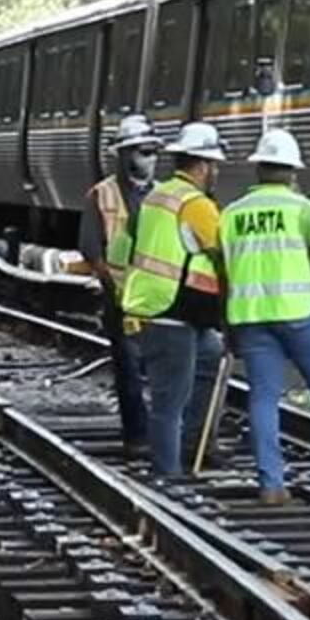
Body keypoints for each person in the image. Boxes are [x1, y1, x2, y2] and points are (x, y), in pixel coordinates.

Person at [221, 128, 310, 499]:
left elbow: (224, 273)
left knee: (263, 398)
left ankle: (271, 485)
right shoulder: (304, 210)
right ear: (292, 171)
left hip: (251, 317)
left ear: (258, 169)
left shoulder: (231, 214)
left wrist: (227, 324)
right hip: (301, 314)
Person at [120, 122, 229, 480]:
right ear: (201, 165)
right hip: (172, 310)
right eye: (214, 166)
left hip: (161, 306)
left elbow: (129, 243)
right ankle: (168, 472)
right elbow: (224, 255)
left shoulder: (155, 196)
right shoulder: (197, 204)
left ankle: (191, 445)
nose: (215, 173)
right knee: (170, 399)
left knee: (209, 360)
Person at [81, 115, 162, 450]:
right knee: (129, 371)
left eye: (153, 152)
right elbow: (90, 246)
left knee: (160, 372)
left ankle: (162, 433)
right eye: (143, 152)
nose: (150, 159)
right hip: (121, 298)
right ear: (125, 155)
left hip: (159, 298)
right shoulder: (102, 195)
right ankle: (137, 437)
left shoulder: (163, 196)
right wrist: (112, 284)